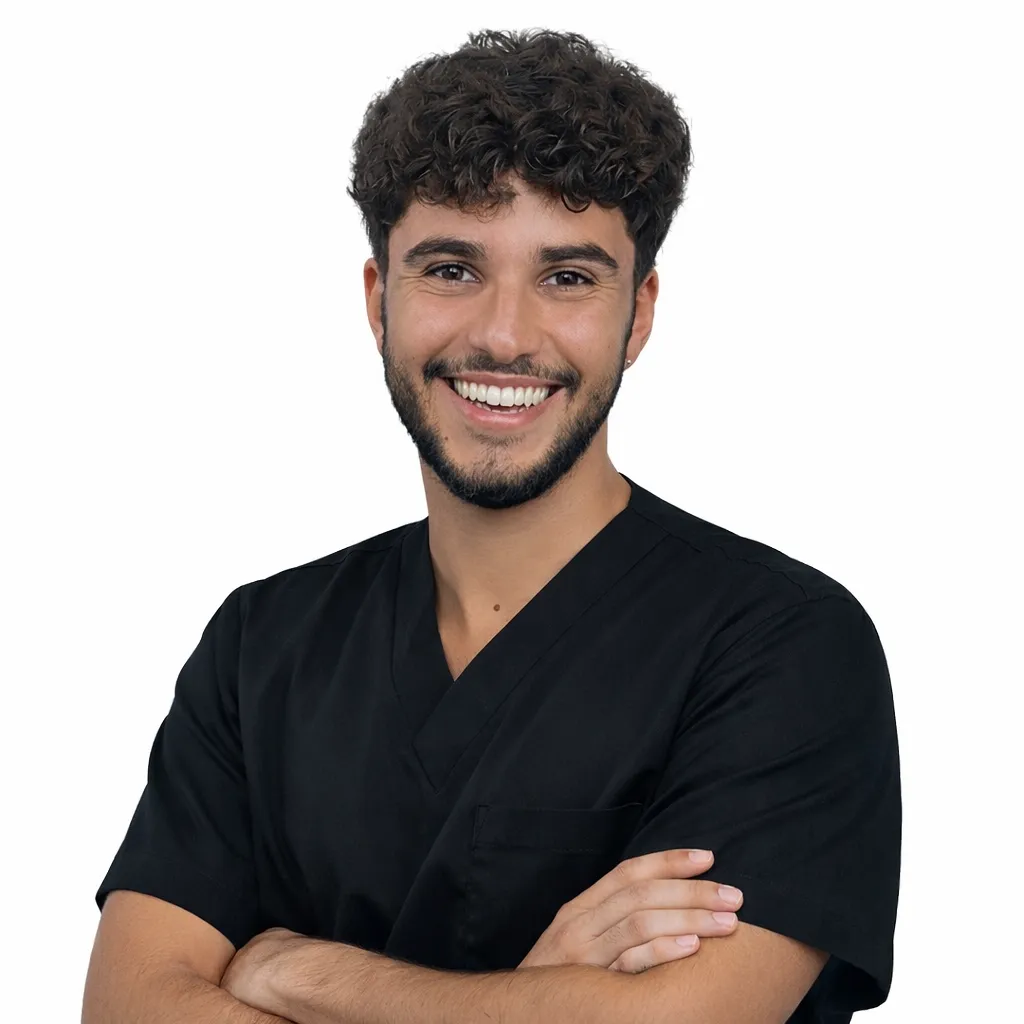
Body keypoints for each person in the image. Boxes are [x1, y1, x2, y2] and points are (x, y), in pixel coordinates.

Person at [83, 28, 901, 1024]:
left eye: (568, 277)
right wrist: (539, 997)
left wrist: (295, 973)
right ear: (379, 300)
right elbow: (125, 1007)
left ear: (638, 314)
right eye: (450, 269)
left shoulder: (781, 645)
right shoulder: (262, 646)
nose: (505, 335)